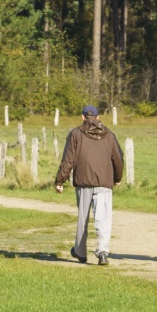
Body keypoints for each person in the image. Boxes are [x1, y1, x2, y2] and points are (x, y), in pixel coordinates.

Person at [53, 104, 125, 265]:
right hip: (104, 182)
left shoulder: (76, 134)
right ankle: (103, 251)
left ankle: (80, 252)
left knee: (82, 218)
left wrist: (60, 180)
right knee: (103, 218)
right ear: (98, 117)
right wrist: (117, 177)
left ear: (82, 117)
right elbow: (118, 159)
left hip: (83, 180)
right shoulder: (109, 135)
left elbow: (68, 159)